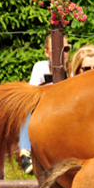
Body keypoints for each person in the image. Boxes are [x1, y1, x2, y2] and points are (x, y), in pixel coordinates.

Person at [19, 34, 71, 174]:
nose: (61, 53)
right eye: (55, 49)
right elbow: (31, 94)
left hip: (68, 110)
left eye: (65, 49)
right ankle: (25, 154)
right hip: (45, 108)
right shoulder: (40, 67)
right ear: (46, 52)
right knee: (26, 110)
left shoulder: (73, 68)